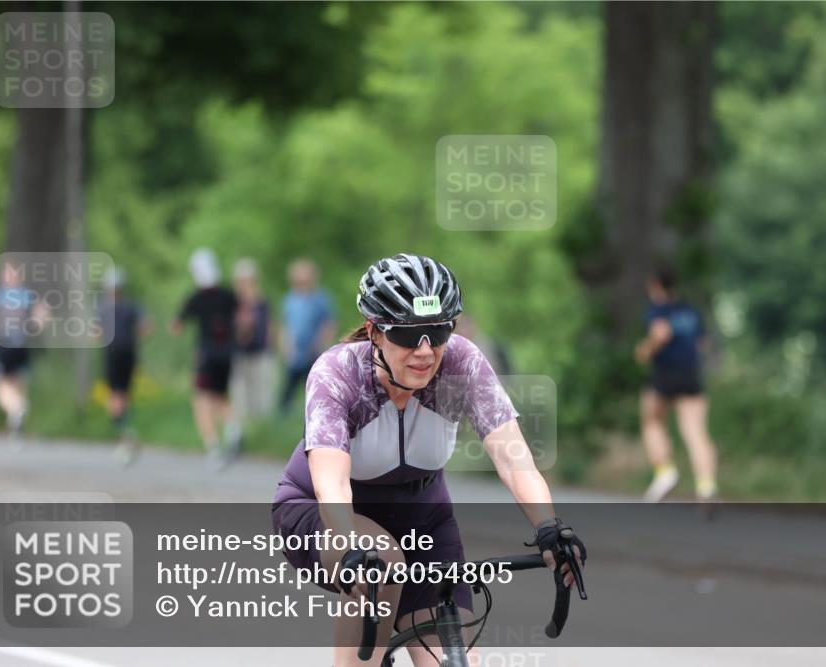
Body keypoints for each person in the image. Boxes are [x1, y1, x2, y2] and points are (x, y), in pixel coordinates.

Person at [271, 253, 586, 667]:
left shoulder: (461, 362)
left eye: (438, 331)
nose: (425, 351)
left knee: (451, 662)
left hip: (423, 517)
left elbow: (514, 459)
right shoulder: (338, 373)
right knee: (381, 566)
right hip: (322, 511)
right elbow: (331, 481)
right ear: (374, 332)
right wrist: (349, 544)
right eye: (408, 335)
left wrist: (548, 526)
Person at [634, 264, 719, 502]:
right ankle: (706, 486)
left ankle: (664, 472)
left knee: (651, 420)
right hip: (691, 374)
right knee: (696, 432)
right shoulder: (689, 310)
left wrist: (645, 350)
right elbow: (702, 343)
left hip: (666, 373)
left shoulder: (659, 309)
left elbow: (660, 334)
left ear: (654, 284)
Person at [170, 249, 239, 470]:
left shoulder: (196, 298)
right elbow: (245, 320)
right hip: (228, 352)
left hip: (206, 353)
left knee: (201, 400)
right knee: (220, 396)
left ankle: (213, 447)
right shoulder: (229, 295)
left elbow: (176, 326)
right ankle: (232, 428)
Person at [0, 260, 48, 448]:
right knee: (17, 386)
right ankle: (16, 428)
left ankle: (17, 410)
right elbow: (43, 311)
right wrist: (36, 325)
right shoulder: (27, 295)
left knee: (0, 386)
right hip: (21, 346)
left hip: (3, 346)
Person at [97, 267, 151, 466]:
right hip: (129, 354)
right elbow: (147, 327)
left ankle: (125, 435)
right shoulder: (131, 306)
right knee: (125, 395)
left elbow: (96, 331)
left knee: (114, 396)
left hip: (112, 354)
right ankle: (125, 437)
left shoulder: (103, 307)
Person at [278, 258, 336, 414]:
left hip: (313, 350)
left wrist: (321, 342)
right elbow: (286, 325)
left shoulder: (320, 299)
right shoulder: (290, 300)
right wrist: (285, 344)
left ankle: (319, 412)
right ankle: (282, 415)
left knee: (315, 385)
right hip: (296, 351)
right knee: (289, 386)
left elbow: (329, 323)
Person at [228, 258, 275, 445]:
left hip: (260, 353)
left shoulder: (261, 301)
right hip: (239, 354)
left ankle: (262, 435)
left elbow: (269, 325)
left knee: (261, 397)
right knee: (238, 396)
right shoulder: (232, 303)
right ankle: (237, 435)